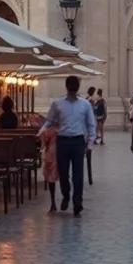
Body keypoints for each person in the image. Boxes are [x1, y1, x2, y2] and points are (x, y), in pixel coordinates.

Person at [42, 75, 96, 217]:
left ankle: (77, 202)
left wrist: (90, 142)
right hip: (62, 140)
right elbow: (49, 121)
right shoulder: (57, 103)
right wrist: (41, 131)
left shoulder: (85, 104)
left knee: (78, 174)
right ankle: (66, 194)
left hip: (78, 141)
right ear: (68, 87)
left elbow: (91, 124)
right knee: (63, 173)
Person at [37, 122, 59, 212]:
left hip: (51, 154)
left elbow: (42, 140)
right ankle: (66, 196)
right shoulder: (63, 129)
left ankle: (53, 202)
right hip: (62, 152)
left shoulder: (49, 131)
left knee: (51, 178)